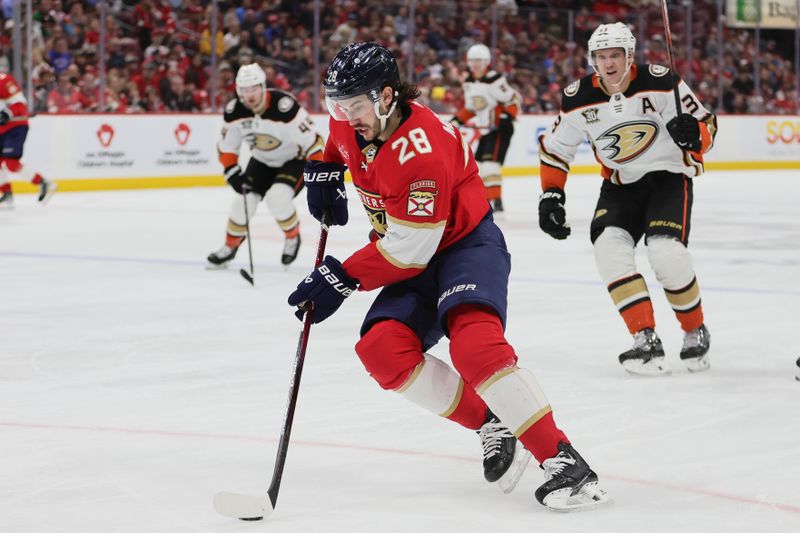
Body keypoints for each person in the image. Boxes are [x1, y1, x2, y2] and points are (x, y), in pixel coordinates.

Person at [289, 42, 610, 511]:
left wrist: (341, 276)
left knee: (474, 346)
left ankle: (564, 462)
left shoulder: (422, 151)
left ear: (384, 97)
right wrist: (324, 174)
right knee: (382, 351)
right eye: (336, 104)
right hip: (411, 252)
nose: (343, 114)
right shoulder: (351, 117)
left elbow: (408, 250)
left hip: (463, 247)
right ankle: (492, 423)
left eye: (352, 104)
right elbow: (336, 144)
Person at [537, 23, 716, 376]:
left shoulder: (662, 81)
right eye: (601, 57)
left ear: (630, 55)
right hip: (620, 184)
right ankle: (644, 337)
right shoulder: (577, 98)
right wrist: (552, 195)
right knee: (608, 249)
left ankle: (695, 328)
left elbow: (707, 124)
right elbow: (556, 149)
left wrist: (692, 133)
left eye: (615, 55)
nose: (609, 63)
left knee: (666, 252)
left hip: (668, 178)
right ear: (592, 60)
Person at [207, 63, 324, 268]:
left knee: (277, 198)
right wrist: (232, 172)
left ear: (263, 87)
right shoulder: (234, 111)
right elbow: (227, 147)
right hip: (261, 160)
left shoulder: (284, 107)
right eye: (244, 90)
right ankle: (230, 245)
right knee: (242, 202)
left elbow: (314, 141)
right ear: (237, 90)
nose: (250, 95)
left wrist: (319, 172)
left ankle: (292, 236)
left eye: (254, 88)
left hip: (293, 160)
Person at [450, 44, 520, 214]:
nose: (475, 64)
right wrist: (456, 120)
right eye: (472, 60)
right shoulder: (468, 82)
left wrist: (506, 116)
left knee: (490, 165)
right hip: (486, 129)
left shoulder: (494, 79)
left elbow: (513, 100)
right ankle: (487, 199)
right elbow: (472, 108)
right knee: (480, 165)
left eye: (479, 60)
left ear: (487, 61)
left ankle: (497, 201)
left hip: (500, 128)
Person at [0, 71, 57, 208]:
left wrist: (7, 113)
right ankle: (6, 192)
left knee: (11, 163)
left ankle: (44, 182)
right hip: (2, 129)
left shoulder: (3, 79)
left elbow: (20, 103)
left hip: (15, 126)